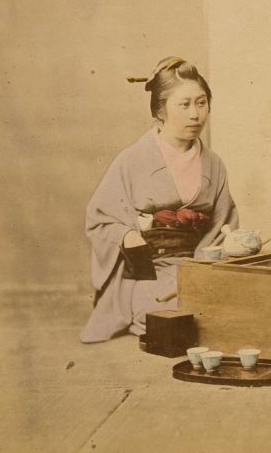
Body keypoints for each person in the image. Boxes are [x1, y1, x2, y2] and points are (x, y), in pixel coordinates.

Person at [81, 57, 239, 343]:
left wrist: (201, 268)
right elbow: (100, 220)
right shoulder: (132, 160)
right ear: (160, 110)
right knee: (180, 312)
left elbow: (222, 225)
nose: (195, 114)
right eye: (184, 104)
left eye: (201, 103)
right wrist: (126, 233)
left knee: (235, 301)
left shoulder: (214, 164)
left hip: (198, 265)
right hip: (149, 272)